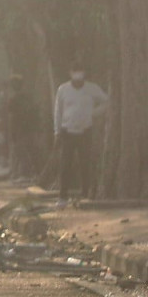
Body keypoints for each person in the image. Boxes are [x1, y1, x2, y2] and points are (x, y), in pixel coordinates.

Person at [53, 62, 109, 199]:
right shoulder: (63, 89)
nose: (78, 74)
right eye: (75, 71)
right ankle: (63, 196)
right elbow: (58, 112)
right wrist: (57, 131)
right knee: (65, 164)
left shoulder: (92, 88)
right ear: (70, 73)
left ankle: (85, 194)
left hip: (85, 131)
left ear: (84, 73)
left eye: (80, 71)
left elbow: (106, 101)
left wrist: (93, 113)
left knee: (85, 163)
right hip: (67, 131)